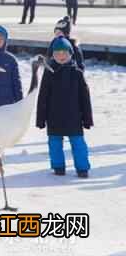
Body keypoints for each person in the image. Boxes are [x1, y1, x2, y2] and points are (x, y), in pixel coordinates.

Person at [36, 37, 93, 178]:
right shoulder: (49, 73)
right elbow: (43, 96)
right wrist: (41, 119)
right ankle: (58, 167)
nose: (61, 56)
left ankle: (82, 168)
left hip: (74, 117)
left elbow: (85, 98)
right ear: (53, 55)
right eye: (57, 53)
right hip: (54, 116)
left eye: (64, 53)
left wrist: (87, 119)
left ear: (70, 53)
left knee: (78, 144)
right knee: (55, 144)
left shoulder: (77, 73)